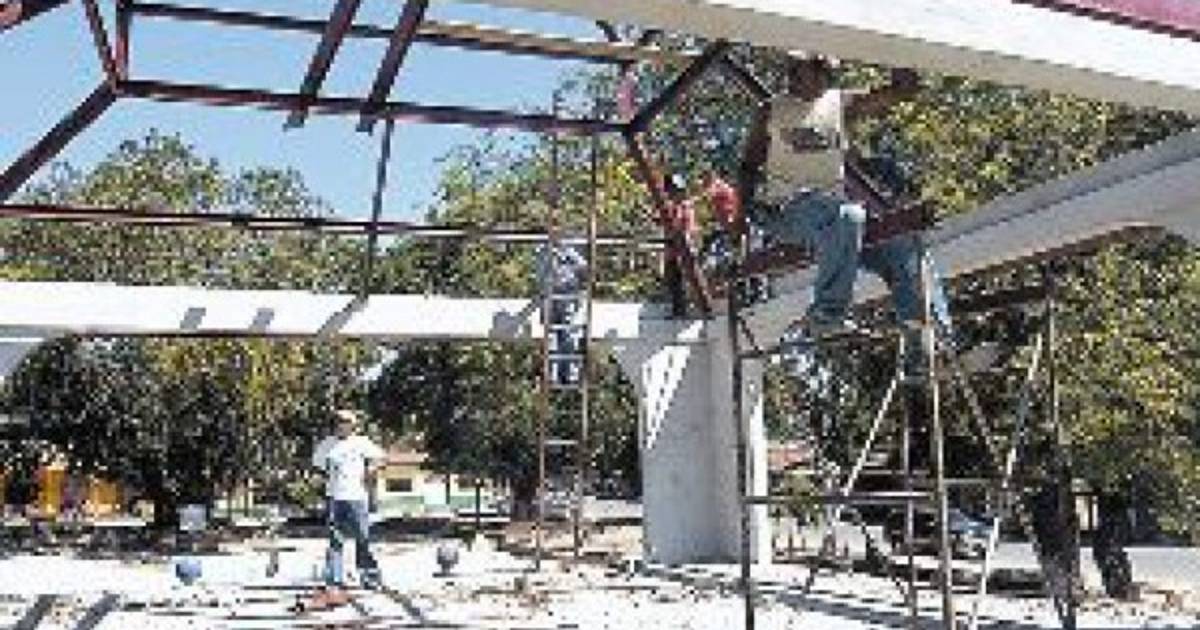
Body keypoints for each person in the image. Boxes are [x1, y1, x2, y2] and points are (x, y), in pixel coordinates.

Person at [706, 56, 951, 377]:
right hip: (788, 211)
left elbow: (899, 92)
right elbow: (748, 166)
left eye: (808, 71)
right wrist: (740, 221)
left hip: (834, 223)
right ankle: (826, 315)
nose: (795, 77)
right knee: (848, 215)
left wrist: (895, 54)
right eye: (796, 71)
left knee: (903, 247)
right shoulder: (772, 111)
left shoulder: (840, 103)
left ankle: (927, 349)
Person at [311, 409, 385, 593]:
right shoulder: (327, 444)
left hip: (357, 497)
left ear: (353, 425)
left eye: (347, 422)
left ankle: (369, 576)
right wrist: (318, 480)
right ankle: (334, 580)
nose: (343, 425)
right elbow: (318, 468)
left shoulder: (361, 442)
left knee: (363, 538)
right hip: (335, 498)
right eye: (340, 421)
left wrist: (371, 469)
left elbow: (381, 458)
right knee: (335, 540)